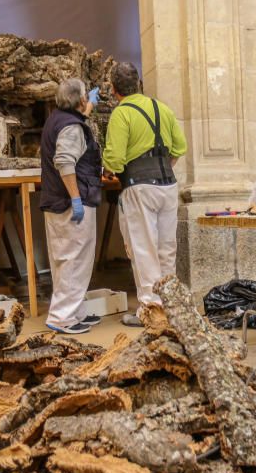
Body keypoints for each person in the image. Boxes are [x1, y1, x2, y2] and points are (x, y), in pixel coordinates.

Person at [103, 62, 187, 326]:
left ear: (114, 89)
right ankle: (171, 308)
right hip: (168, 186)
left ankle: (151, 311)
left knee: (144, 250)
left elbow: (115, 160)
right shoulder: (162, 108)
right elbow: (179, 148)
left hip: (139, 187)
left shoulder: (121, 113)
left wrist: (107, 169)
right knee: (166, 249)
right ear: (139, 83)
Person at [39, 78, 103, 335]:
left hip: (56, 201)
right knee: (74, 259)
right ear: (80, 99)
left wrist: (87, 111)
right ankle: (62, 317)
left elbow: (72, 134)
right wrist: (76, 198)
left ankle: (73, 312)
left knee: (65, 258)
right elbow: (65, 161)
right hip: (71, 202)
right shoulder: (71, 127)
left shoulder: (57, 119)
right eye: (86, 96)